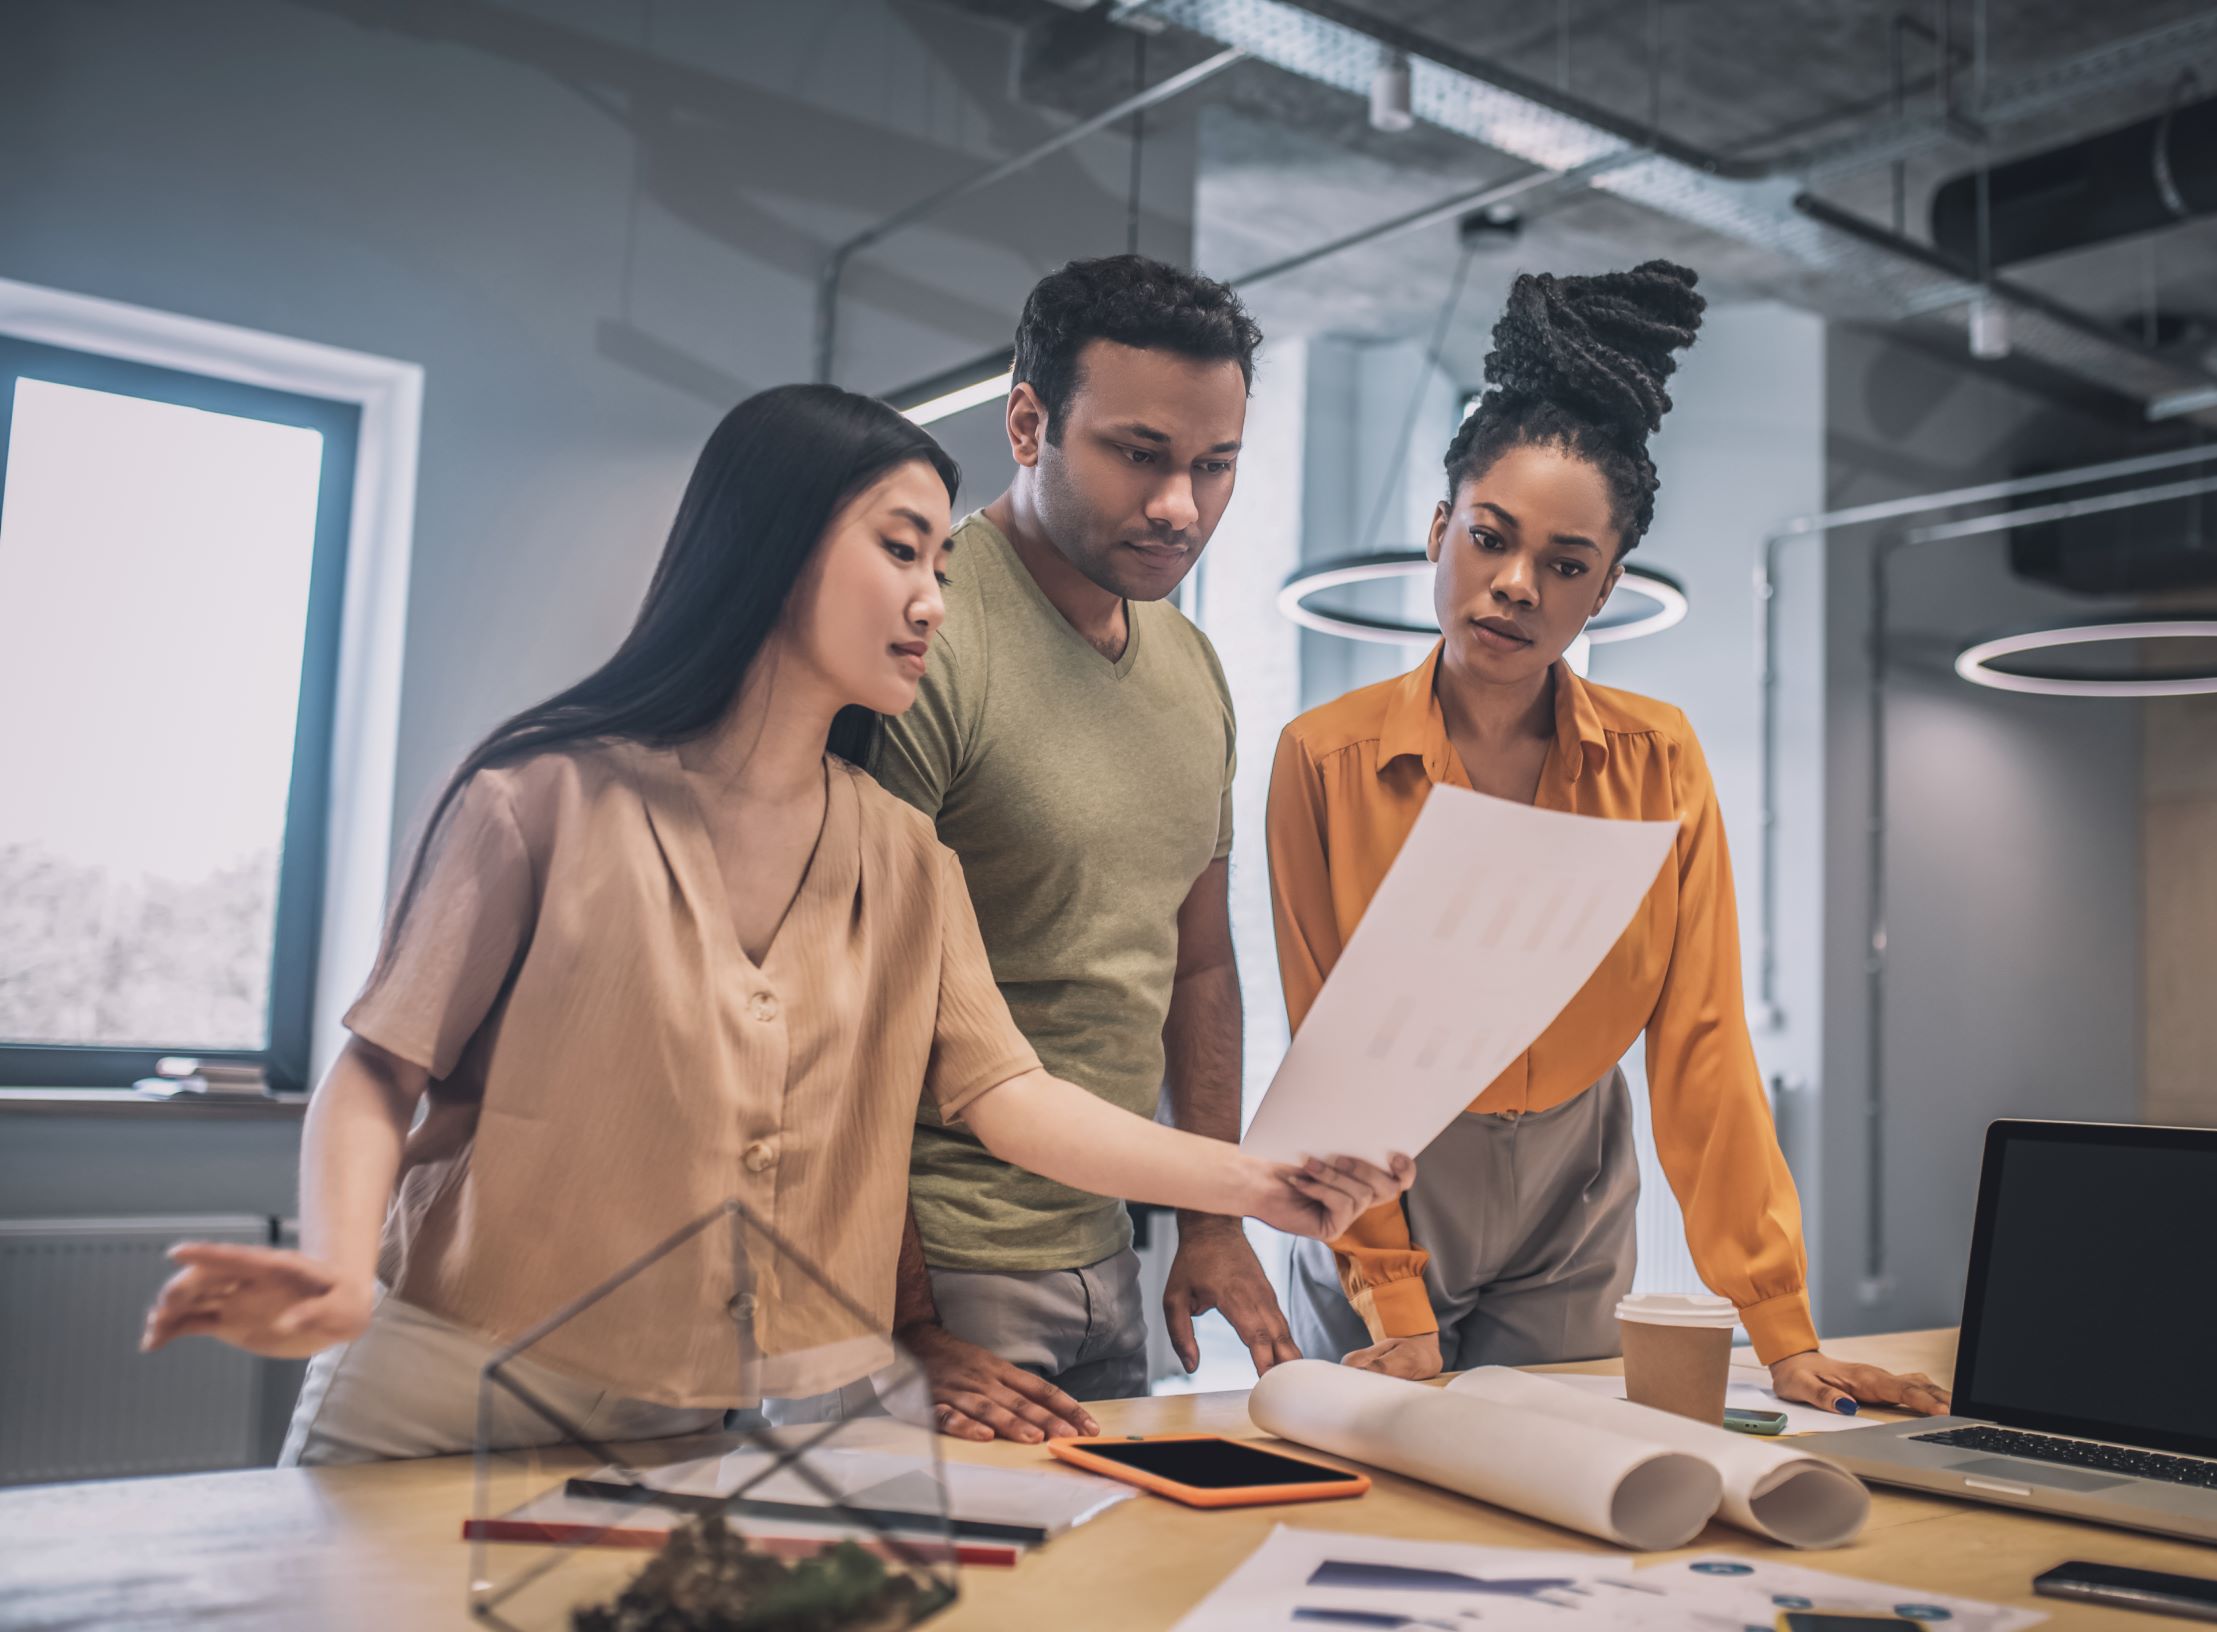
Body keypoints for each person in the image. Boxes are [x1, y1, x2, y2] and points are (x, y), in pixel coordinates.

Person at [137, 384, 1409, 1463]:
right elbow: (379, 1062)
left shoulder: (901, 853)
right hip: (443, 1393)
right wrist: (344, 1269)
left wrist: (1258, 1185)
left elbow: (1011, 1097)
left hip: (695, 1422)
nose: (931, 599)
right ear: (775, 544)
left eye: (942, 566)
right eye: (899, 550)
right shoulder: (543, 795)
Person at [1264, 266, 1946, 1418]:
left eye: (1566, 566)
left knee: (1554, 1498)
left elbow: (1703, 1048)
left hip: (1578, 1182)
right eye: (1489, 539)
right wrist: (1391, 1296)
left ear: (1605, 590)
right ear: (1439, 531)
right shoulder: (1322, 760)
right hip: (1380, 1182)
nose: (1514, 586)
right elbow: (1325, 1047)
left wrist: (1781, 1330)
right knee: (1367, 1502)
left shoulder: (1658, 759)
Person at [870, 256, 1291, 1444]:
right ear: (1027, 422)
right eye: (1139, 453)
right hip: (940, 1271)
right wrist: (905, 1324)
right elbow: (845, 1014)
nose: (1180, 505)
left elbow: (1196, 964)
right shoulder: (923, 637)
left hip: (1110, 1251)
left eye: (1215, 467)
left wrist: (1209, 1219)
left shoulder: (1193, 669)